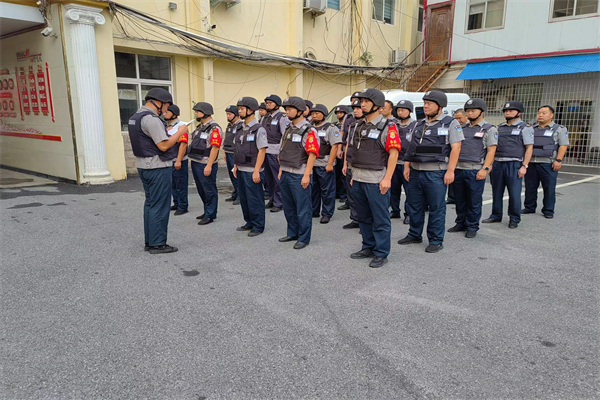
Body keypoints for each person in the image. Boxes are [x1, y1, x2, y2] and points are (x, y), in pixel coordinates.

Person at [398, 90, 464, 253]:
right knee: (415, 205)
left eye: (429, 104)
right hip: (415, 171)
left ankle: (435, 240)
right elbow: (411, 147)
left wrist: (451, 171)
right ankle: (414, 234)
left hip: (436, 173)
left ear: (440, 106)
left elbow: (456, 148)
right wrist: (406, 166)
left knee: (436, 207)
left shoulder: (450, 123)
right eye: (424, 103)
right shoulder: (419, 124)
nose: (425, 106)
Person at [128, 88, 187, 254]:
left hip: (144, 165)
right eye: (167, 105)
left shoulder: (136, 117)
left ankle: (150, 240)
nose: (167, 109)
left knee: (151, 204)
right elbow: (163, 145)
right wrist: (180, 132)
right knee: (160, 205)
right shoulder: (151, 119)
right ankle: (158, 243)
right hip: (157, 167)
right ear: (159, 102)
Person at [348, 88, 401, 268]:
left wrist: (387, 178)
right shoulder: (358, 125)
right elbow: (356, 152)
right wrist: (354, 175)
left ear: (377, 105)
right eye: (361, 101)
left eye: (366, 101)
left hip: (376, 179)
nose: (361, 104)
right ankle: (368, 247)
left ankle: (381, 252)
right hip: (358, 178)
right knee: (363, 217)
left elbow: (393, 154)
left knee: (380, 219)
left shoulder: (388, 126)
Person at [447, 98, 497, 238]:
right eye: (468, 111)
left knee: (474, 200)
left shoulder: (489, 129)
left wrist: (485, 168)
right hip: (459, 168)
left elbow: (491, 151)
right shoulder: (462, 128)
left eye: (473, 111)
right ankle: (460, 223)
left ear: (482, 112)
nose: (469, 113)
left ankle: (472, 226)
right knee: (459, 199)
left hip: (475, 170)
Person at [482, 101, 534, 229]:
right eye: (506, 111)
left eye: (511, 110)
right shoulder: (500, 127)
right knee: (496, 192)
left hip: (514, 163)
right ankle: (496, 215)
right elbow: (493, 147)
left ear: (519, 113)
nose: (507, 112)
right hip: (498, 163)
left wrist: (524, 166)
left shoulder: (525, 127)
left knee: (514, 193)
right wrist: (490, 164)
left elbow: (529, 148)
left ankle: (514, 218)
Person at [277, 96, 319, 250]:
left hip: (300, 173)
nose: (287, 112)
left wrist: (307, 175)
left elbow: (312, 154)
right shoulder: (288, 128)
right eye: (286, 109)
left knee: (302, 208)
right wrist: (281, 170)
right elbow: (282, 151)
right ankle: (292, 232)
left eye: (290, 109)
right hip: (286, 171)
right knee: (289, 207)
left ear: (300, 111)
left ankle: (303, 237)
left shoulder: (309, 130)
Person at [523, 105, 569, 219]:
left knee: (549, 187)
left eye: (544, 113)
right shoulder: (531, 128)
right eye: (539, 113)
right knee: (530, 186)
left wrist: (558, 160)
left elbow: (563, 145)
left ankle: (548, 210)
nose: (540, 115)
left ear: (551, 115)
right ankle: (529, 207)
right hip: (532, 162)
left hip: (548, 163)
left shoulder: (559, 129)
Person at [233, 97, 268, 236]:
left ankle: (258, 225)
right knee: (244, 198)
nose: (239, 111)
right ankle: (249, 222)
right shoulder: (239, 127)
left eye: (242, 109)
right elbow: (237, 148)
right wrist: (236, 165)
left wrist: (257, 171)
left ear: (251, 110)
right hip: (241, 168)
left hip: (252, 170)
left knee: (255, 199)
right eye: (239, 109)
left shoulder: (259, 129)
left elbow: (262, 150)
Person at [188, 102, 222, 225]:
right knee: (201, 189)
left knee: (209, 189)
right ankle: (207, 210)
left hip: (206, 163)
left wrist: (209, 165)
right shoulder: (200, 127)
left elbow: (215, 148)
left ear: (206, 112)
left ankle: (210, 214)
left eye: (198, 111)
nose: (196, 114)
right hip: (196, 161)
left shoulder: (214, 128)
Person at [310, 104, 342, 224]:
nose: (314, 115)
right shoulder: (310, 127)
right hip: (312, 163)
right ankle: (314, 210)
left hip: (324, 162)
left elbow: (334, 146)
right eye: (312, 113)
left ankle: (327, 213)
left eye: (317, 113)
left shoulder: (330, 127)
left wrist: (330, 164)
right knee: (313, 189)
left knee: (327, 190)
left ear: (323, 114)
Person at [390, 100, 416, 224]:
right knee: (393, 189)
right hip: (394, 162)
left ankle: (409, 214)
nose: (400, 112)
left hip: (407, 163)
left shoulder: (415, 125)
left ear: (409, 111)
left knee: (409, 191)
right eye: (398, 110)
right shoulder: (393, 125)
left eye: (403, 110)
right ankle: (395, 210)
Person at [262, 94, 288, 213]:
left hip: (275, 151)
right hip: (265, 151)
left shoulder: (282, 117)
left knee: (277, 178)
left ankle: (279, 202)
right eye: (267, 103)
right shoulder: (265, 117)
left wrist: (281, 153)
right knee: (269, 179)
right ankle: (272, 200)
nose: (268, 105)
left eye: (270, 103)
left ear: (277, 105)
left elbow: (284, 136)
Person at [340, 98, 363, 229]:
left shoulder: (369, 126)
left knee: (362, 196)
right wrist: (345, 164)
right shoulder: (353, 125)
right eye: (354, 108)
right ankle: (355, 219)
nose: (355, 111)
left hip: (361, 166)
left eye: (358, 108)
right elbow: (348, 145)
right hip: (350, 163)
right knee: (351, 194)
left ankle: (364, 222)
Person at [163, 104, 189, 215]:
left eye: (167, 112)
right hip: (169, 159)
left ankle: (183, 206)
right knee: (173, 184)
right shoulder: (165, 126)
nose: (164, 114)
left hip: (179, 159)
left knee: (180, 184)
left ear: (174, 114)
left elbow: (183, 144)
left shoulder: (181, 126)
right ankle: (177, 203)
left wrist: (179, 160)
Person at [222, 105, 243, 205]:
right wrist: (224, 152)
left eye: (229, 114)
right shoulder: (230, 125)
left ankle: (240, 195)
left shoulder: (240, 125)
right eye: (227, 114)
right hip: (228, 151)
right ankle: (235, 192)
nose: (228, 116)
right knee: (231, 175)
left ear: (236, 115)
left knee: (236, 175)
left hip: (234, 153)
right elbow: (227, 138)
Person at [333, 105, 349, 204]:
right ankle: (337, 192)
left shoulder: (348, 125)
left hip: (344, 150)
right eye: (337, 113)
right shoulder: (334, 125)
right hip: (336, 150)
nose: (339, 115)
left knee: (344, 175)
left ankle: (343, 194)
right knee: (337, 173)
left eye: (341, 113)